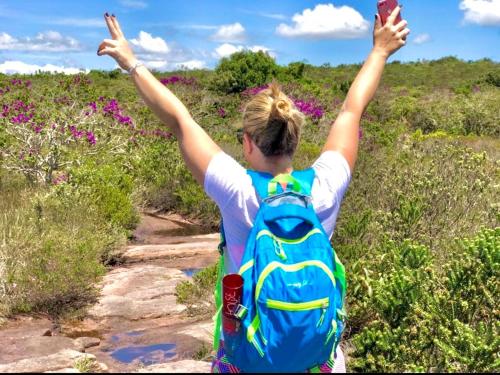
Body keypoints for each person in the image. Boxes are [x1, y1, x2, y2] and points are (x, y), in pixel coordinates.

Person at [98, 7, 409, 373]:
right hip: (318, 362)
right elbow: (351, 111)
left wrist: (132, 63)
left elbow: (181, 121)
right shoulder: (325, 185)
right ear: (294, 139)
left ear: (248, 142)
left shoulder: (238, 190)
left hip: (248, 360)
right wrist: (380, 51)